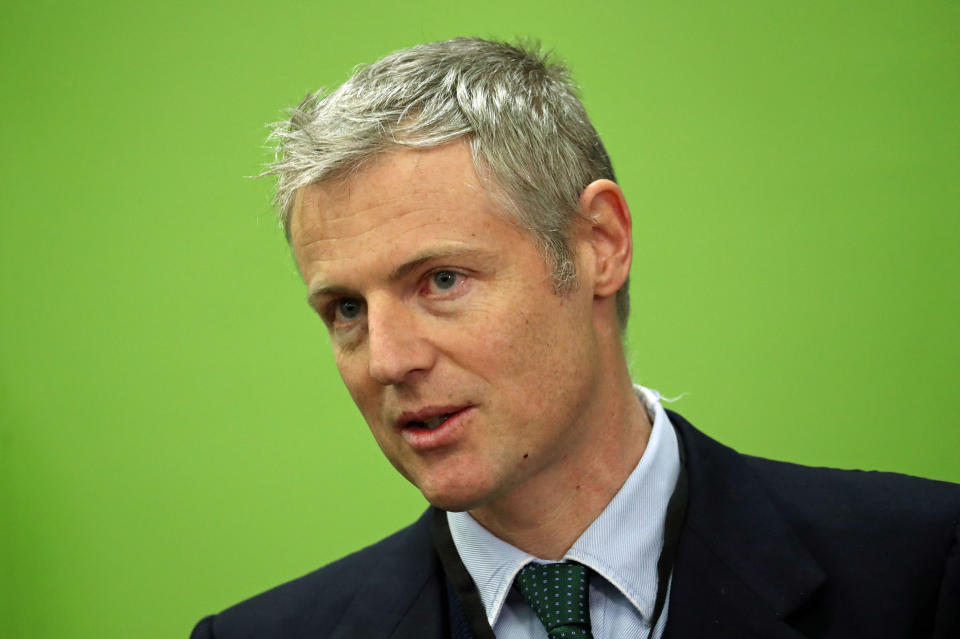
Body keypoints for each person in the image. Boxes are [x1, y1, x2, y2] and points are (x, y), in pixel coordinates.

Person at [191, 38, 959, 639]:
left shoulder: (923, 568)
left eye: (442, 280)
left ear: (598, 243)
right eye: (346, 310)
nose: (389, 360)